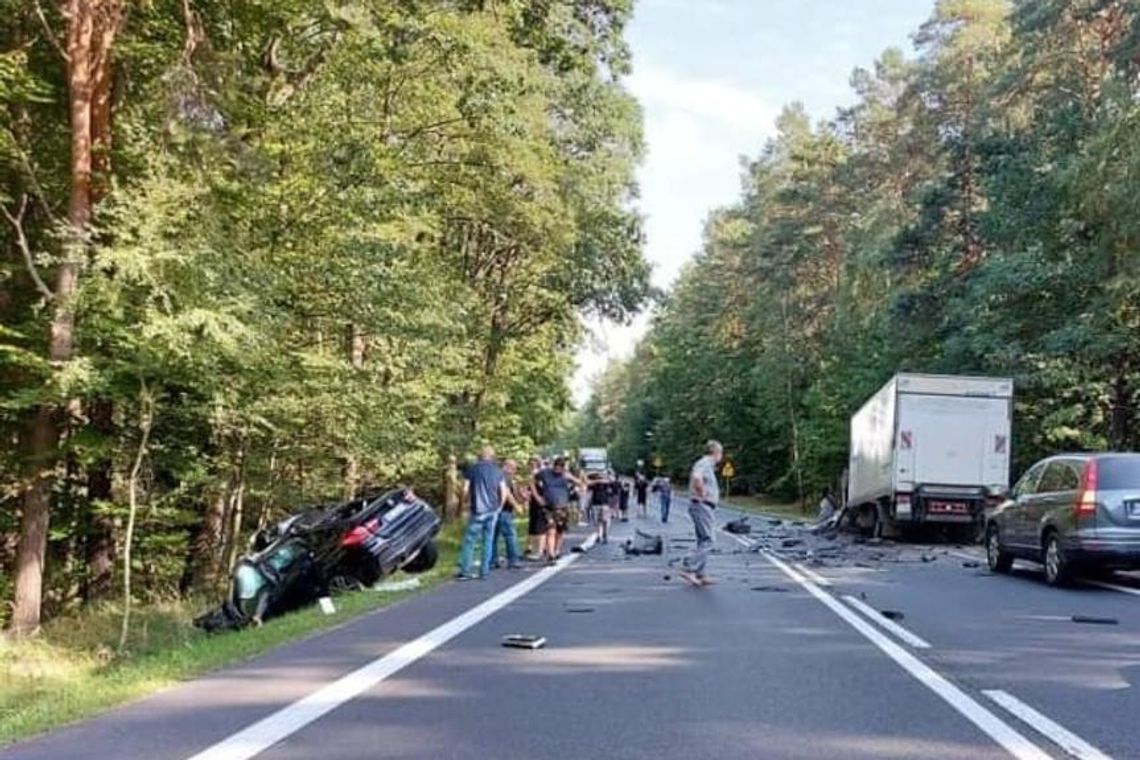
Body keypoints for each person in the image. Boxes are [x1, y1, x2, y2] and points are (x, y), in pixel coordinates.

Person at [456, 445, 510, 580]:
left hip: (478, 509)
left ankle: (465, 571)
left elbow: (465, 489)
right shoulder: (498, 471)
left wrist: (465, 502)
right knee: (488, 540)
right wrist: (499, 506)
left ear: (480, 456)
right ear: (492, 456)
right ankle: (484, 571)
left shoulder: (473, 469)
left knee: (470, 540)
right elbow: (503, 491)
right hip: (492, 510)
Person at [679, 440, 723, 587]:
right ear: (716, 453)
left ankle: (700, 573)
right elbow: (697, 477)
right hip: (702, 505)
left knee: (703, 540)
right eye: (720, 453)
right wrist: (702, 491)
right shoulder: (704, 463)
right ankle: (689, 567)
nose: (721, 457)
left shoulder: (707, 465)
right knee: (709, 539)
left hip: (703, 506)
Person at [533, 456, 586, 562]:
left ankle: (557, 550)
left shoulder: (566, 475)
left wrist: (571, 478)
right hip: (549, 507)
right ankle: (551, 554)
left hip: (562, 507)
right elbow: (532, 481)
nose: (558, 470)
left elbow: (581, 484)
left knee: (560, 531)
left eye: (561, 468)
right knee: (551, 530)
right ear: (554, 466)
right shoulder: (545, 473)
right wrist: (537, 496)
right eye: (557, 467)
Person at [492, 459, 524, 570]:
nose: (514, 471)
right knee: (510, 535)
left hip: (492, 510)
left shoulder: (495, 475)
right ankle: (513, 559)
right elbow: (507, 493)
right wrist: (516, 506)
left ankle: (492, 560)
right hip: (504, 510)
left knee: (493, 536)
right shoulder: (504, 476)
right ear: (507, 466)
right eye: (514, 468)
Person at [524, 457, 548, 560]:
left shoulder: (540, 475)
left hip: (540, 503)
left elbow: (542, 488)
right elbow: (529, 490)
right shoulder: (531, 475)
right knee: (533, 526)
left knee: (540, 526)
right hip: (533, 503)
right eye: (530, 464)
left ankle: (540, 550)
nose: (531, 466)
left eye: (533, 464)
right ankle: (534, 549)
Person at [588, 473, 613, 544]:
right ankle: (598, 535)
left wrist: (605, 478)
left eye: (601, 477)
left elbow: (611, 480)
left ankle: (605, 535)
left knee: (605, 521)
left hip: (605, 504)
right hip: (595, 504)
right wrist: (597, 480)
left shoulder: (606, 484)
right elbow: (588, 484)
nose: (600, 479)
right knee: (597, 521)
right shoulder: (594, 484)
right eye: (598, 477)